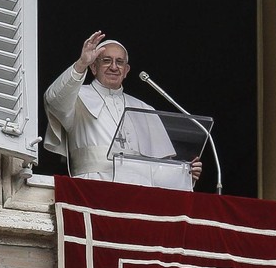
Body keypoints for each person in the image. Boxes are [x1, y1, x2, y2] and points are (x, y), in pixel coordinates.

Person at [44, 31, 202, 187]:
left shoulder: (143, 108)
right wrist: (81, 63)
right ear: (93, 67)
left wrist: (186, 173)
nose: (114, 67)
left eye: (119, 62)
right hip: (93, 185)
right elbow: (53, 99)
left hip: (139, 191)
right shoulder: (76, 96)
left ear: (126, 71)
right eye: (106, 61)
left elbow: (158, 168)